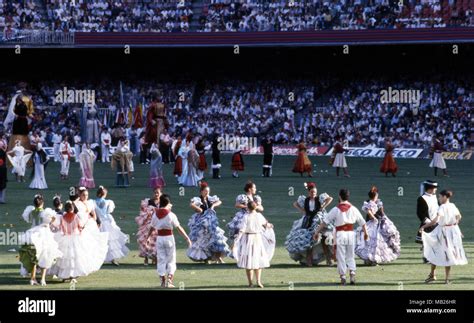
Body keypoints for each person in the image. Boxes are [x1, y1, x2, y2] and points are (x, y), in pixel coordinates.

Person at [314, 189, 368, 285]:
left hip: (340, 234)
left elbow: (324, 222)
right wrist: (366, 233)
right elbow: (362, 222)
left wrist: (317, 232)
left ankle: (343, 276)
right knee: (350, 255)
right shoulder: (353, 208)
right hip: (351, 234)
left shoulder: (336, 209)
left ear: (340, 196)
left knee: (341, 256)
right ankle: (352, 273)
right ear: (348, 196)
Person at [50, 201, 106, 282]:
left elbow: (55, 225)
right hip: (75, 238)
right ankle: (72, 276)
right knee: (74, 258)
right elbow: (80, 226)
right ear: (72, 209)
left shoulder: (61, 217)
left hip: (64, 238)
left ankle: (64, 276)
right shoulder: (77, 217)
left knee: (65, 258)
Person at [420, 190, 467, 284]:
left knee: (436, 250)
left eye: (440, 197)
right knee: (448, 254)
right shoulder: (452, 205)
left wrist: (424, 226)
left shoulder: (442, 207)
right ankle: (445, 279)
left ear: (445, 197)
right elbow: (459, 216)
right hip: (453, 231)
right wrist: (455, 224)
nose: (439, 198)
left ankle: (433, 275)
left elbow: (436, 220)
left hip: (443, 232)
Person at [285, 182, 334, 266]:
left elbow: (330, 198)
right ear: (309, 192)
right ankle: (309, 259)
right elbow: (295, 203)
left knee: (324, 239)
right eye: (312, 192)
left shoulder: (319, 198)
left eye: (315, 192)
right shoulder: (305, 200)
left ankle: (328, 258)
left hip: (318, 220)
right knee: (309, 240)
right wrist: (302, 211)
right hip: (308, 221)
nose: (313, 193)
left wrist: (323, 207)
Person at [149, 194, 192, 288]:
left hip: (160, 238)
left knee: (161, 260)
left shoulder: (155, 214)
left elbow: (152, 227)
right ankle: (169, 280)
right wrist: (187, 238)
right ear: (168, 203)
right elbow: (179, 228)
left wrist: (148, 237)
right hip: (169, 238)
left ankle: (163, 281)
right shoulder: (171, 215)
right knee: (171, 259)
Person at [228, 181, 275, 260]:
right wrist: (247, 206)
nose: (255, 189)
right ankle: (238, 253)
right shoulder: (243, 197)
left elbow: (261, 208)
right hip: (243, 216)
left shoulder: (256, 198)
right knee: (240, 235)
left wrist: (254, 207)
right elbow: (237, 205)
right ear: (249, 189)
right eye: (254, 188)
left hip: (254, 216)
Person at [355, 186, 401, 265]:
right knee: (375, 243)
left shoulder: (369, 202)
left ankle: (369, 259)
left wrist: (376, 218)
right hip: (375, 225)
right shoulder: (373, 203)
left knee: (368, 242)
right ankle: (372, 260)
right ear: (376, 196)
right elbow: (378, 213)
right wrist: (379, 219)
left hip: (370, 224)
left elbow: (370, 212)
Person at [233, 201, 273, 288]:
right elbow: (265, 224)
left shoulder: (246, 216)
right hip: (257, 238)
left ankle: (251, 283)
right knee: (257, 260)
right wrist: (270, 225)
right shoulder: (259, 215)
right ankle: (258, 281)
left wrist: (237, 239)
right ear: (255, 207)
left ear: (247, 207)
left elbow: (242, 229)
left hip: (248, 239)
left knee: (249, 262)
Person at [187, 182, 229, 264]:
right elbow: (191, 204)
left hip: (211, 222)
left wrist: (213, 206)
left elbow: (219, 201)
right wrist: (198, 209)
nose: (207, 193)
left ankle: (218, 258)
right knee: (203, 240)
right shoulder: (198, 199)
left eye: (208, 191)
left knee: (216, 238)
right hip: (201, 223)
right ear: (201, 191)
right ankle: (205, 259)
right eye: (205, 191)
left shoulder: (210, 198)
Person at [19, 208, 62, 286]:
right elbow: (53, 219)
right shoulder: (44, 213)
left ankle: (33, 278)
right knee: (45, 256)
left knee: (35, 258)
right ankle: (42, 279)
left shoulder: (32, 212)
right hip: (45, 235)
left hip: (35, 234)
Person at [94, 186, 129, 266]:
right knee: (110, 241)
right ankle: (112, 258)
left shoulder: (93, 202)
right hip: (106, 222)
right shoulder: (108, 202)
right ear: (105, 194)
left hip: (97, 222)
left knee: (99, 241)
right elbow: (109, 211)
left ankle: (99, 258)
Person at [135, 188, 161, 265]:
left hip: (157, 224)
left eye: (158, 193)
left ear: (160, 193)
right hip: (148, 224)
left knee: (156, 242)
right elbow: (143, 212)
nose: (156, 194)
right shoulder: (148, 201)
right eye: (155, 192)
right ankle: (146, 258)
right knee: (146, 241)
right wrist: (150, 212)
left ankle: (155, 258)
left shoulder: (162, 202)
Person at [416, 180, 439, 263]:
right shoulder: (422, 198)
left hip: (436, 222)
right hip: (427, 223)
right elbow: (419, 213)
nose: (436, 189)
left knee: (435, 241)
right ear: (430, 188)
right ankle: (426, 257)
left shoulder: (435, 197)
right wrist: (428, 222)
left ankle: (433, 256)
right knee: (426, 241)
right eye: (434, 188)